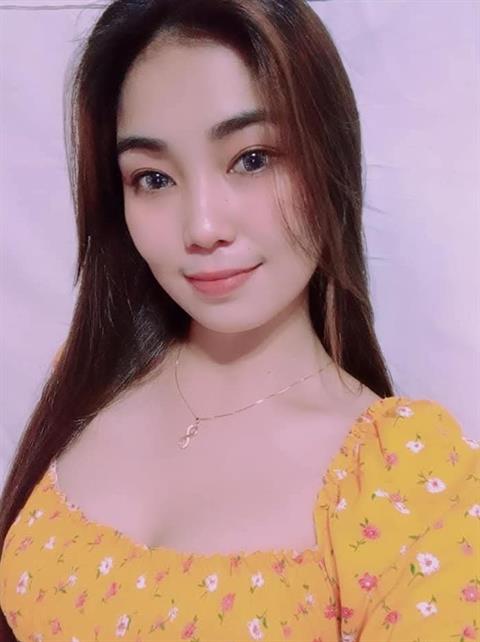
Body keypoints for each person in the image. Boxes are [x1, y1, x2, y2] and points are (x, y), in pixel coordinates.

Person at [0, 1, 478, 640]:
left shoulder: (410, 487)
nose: (202, 227)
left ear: (330, 158)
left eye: (252, 158)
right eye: (153, 178)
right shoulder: (97, 372)